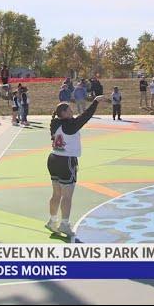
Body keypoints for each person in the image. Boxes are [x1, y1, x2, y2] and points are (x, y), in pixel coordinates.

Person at [46, 94, 110, 237]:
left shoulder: (55, 123)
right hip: (66, 161)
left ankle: (52, 220)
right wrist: (95, 102)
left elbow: (76, 119)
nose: (72, 112)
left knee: (56, 193)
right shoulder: (71, 126)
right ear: (63, 113)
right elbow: (85, 117)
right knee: (67, 196)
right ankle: (64, 224)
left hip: (53, 158)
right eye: (69, 110)